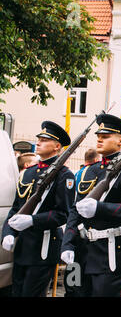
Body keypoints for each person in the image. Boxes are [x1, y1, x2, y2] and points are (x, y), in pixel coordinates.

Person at [60, 114, 121, 297]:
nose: (99, 139)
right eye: (99, 135)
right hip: (81, 252)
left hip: (111, 254)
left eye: (106, 136)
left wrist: (99, 209)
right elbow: (75, 211)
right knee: (73, 293)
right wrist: (67, 244)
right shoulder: (89, 171)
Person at [2, 121, 75, 297]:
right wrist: (8, 232)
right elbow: (16, 208)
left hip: (43, 248)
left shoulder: (64, 175)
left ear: (57, 146)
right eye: (39, 139)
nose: (39, 142)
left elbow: (62, 214)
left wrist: (32, 220)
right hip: (22, 248)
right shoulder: (28, 173)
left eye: (44, 140)